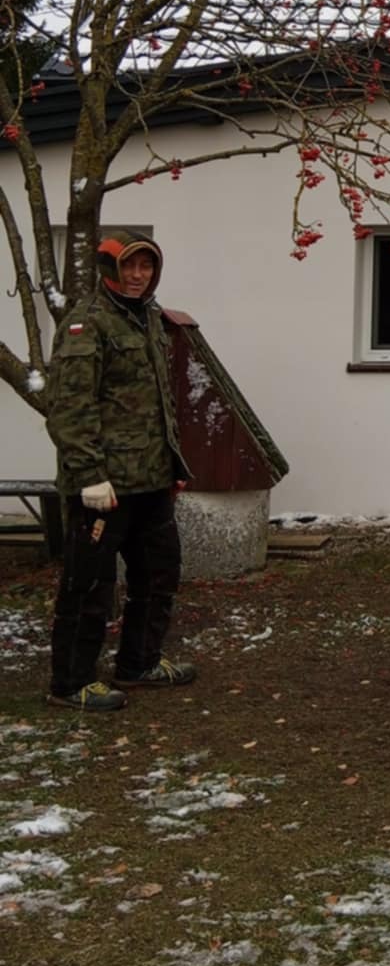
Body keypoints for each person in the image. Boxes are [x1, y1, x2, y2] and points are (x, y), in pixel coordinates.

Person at [44, 236, 197, 712]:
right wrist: (89, 473)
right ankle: (71, 683)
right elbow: (70, 405)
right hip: (103, 486)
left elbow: (158, 401)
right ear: (110, 267)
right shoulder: (85, 322)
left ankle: (139, 663)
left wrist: (172, 464)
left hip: (150, 479)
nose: (139, 275)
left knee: (158, 574)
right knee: (90, 585)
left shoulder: (148, 316)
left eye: (147, 266)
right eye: (130, 266)